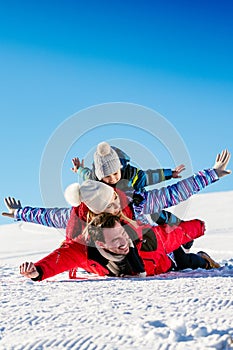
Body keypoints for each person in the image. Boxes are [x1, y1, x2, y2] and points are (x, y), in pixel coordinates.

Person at [19, 213, 220, 281]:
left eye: (123, 235)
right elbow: (62, 258)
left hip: (168, 261)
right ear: (100, 244)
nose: (123, 242)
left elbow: (175, 232)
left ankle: (204, 258)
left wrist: (199, 227)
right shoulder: (86, 251)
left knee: (187, 262)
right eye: (115, 240)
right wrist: (37, 271)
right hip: (137, 267)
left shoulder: (146, 238)